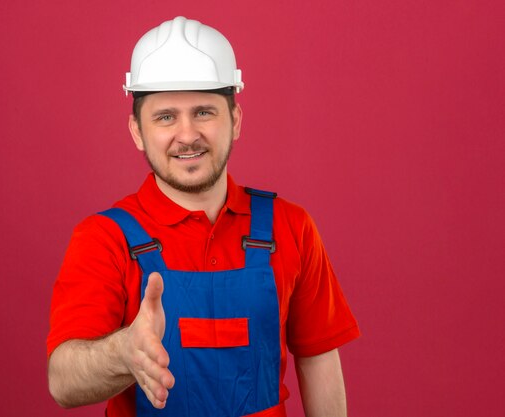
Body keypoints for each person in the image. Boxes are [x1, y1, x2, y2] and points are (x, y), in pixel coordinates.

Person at [47, 16, 360, 417]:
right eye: (165, 117)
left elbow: (318, 358)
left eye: (204, 112)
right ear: (137, 131)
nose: (188, 134)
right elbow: (62, 382)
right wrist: (123, 351)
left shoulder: (290, 226)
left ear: (236, 120)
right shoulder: (103, 237)